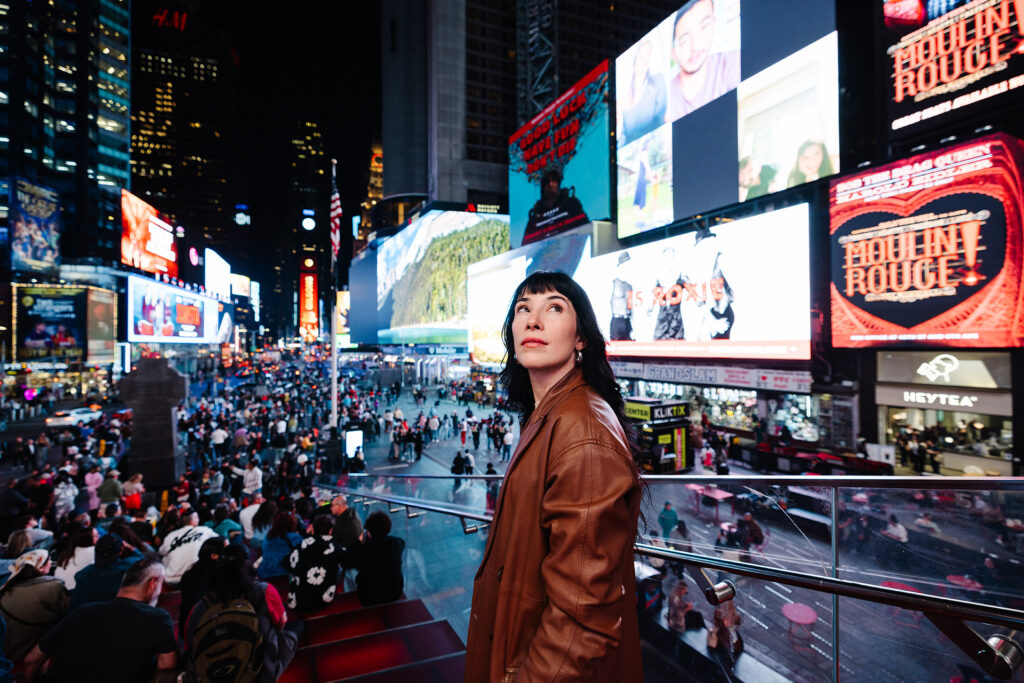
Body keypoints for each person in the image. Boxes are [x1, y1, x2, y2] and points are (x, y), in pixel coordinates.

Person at [465, 271, 643, 681]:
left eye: (554, 308)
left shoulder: (583, 434)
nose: (533, 320)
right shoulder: (555, 414)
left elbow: (583, 618)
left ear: (581, 338)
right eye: (523, 309)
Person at [26, 557, 179, 682]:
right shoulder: (158, 618)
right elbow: (166, 668)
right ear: (153, 583)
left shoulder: (83, 611)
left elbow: (32, 659)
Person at [184, 545, 300, 682]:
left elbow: (189, 646)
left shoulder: (199, 608)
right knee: (297, 626)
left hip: (211, 676)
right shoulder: (264, 591)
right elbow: (281, 623)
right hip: (261, 673)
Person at [666, 0, 740, 121]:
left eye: (704, 26)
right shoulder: (667, 98)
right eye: (684, 39)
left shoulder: (731, 62)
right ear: (673, 52)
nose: (695, 46)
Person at [0, 549, 70, 661]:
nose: (51, 561)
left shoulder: (9, 584)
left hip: (6, 645)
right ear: (40, 567)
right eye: (49, 559)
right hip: (22, 650)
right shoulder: (53, 587)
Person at [338, 511, 404, 607]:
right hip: (394, 594)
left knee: (349, 571)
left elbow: (344, 560)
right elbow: (401, 543)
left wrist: (358, 542)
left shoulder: (362, 550)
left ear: (369, 533)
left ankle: (347, 596)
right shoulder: (396, 543)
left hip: (369, 599)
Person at [287, 514, 342, 613]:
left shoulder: (300, 546)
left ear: (313, 529)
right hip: (323, 602)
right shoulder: (336, 549)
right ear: (330, 531)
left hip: (298, 601)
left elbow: (288, 563)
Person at [621, 40, 666, 144]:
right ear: (634, 62)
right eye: (641, 56)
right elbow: (621, 139)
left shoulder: (658, 81)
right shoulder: (624, 101)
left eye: (648, 54)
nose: (645, 59)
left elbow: (661, 118)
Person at [159, 510, 220, 585]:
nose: (198, 519)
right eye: (197, 517)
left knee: (166, 557)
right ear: (192, 521)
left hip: (170, 579)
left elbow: (161, 552)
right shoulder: (204, 530)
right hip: (193, 580)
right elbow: (222, 541)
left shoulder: (171, 535)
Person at [524, 168, 588, 239]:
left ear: (558, 184)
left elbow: (587, 231)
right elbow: (527, 243)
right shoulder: (536, 216)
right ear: (542, 188)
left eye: (554, 180)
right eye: (546, 182)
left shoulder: (572, 204)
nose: (550, 185)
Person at [258, 512, 302, 580]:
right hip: (284, 575)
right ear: (292, 525)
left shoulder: (268, 536)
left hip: (264, 573)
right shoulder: (295, 538)